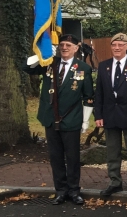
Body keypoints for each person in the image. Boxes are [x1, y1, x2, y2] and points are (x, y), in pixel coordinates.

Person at [24, 34, 94, 205]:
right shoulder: (50, 63)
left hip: (71, 119)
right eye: (61, 45)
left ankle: (74, 190)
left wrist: (85, 121)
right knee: (55, 157)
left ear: (76, 48)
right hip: (50, 118)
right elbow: (27, 67)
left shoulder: (83, 68)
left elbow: (88, 97)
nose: (64, 48)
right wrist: (43, 52)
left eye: (68, 45)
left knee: (72, 157)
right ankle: (60, 191)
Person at [95, 33, 127, 196]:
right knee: (112, 151)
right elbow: (99, 93)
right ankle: (114, 181)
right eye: (114, 45)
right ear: (111, 47)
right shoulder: (104, 66)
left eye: (120, 45)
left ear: (126, 46)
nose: (117, 48)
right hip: (110, 115)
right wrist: (98, 115)